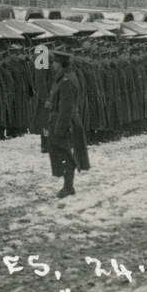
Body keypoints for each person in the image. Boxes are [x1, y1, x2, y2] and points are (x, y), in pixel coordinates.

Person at [46, 53, 83, 198]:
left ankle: (68, 186)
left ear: (60, 64)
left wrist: (60, 128)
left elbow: (66, 108)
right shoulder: (65, 78)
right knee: (64, 153)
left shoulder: (65, 80)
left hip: (63, 122)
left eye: (54, 63)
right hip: (63, 121)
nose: (52, 65)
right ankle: (68, 185)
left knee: (65, 154)